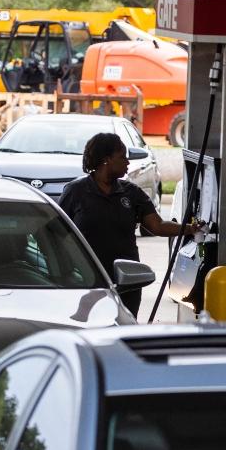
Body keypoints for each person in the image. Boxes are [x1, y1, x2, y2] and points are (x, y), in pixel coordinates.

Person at [60, 132, 202, 317]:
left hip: (127, 280)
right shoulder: (76, 192)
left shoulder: (131, 193)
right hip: (87, 279)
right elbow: (57, 231)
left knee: (125, 327)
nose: (127, 162)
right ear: (106, 160)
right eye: (122, 157)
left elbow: (157, 226)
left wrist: (189, 229)